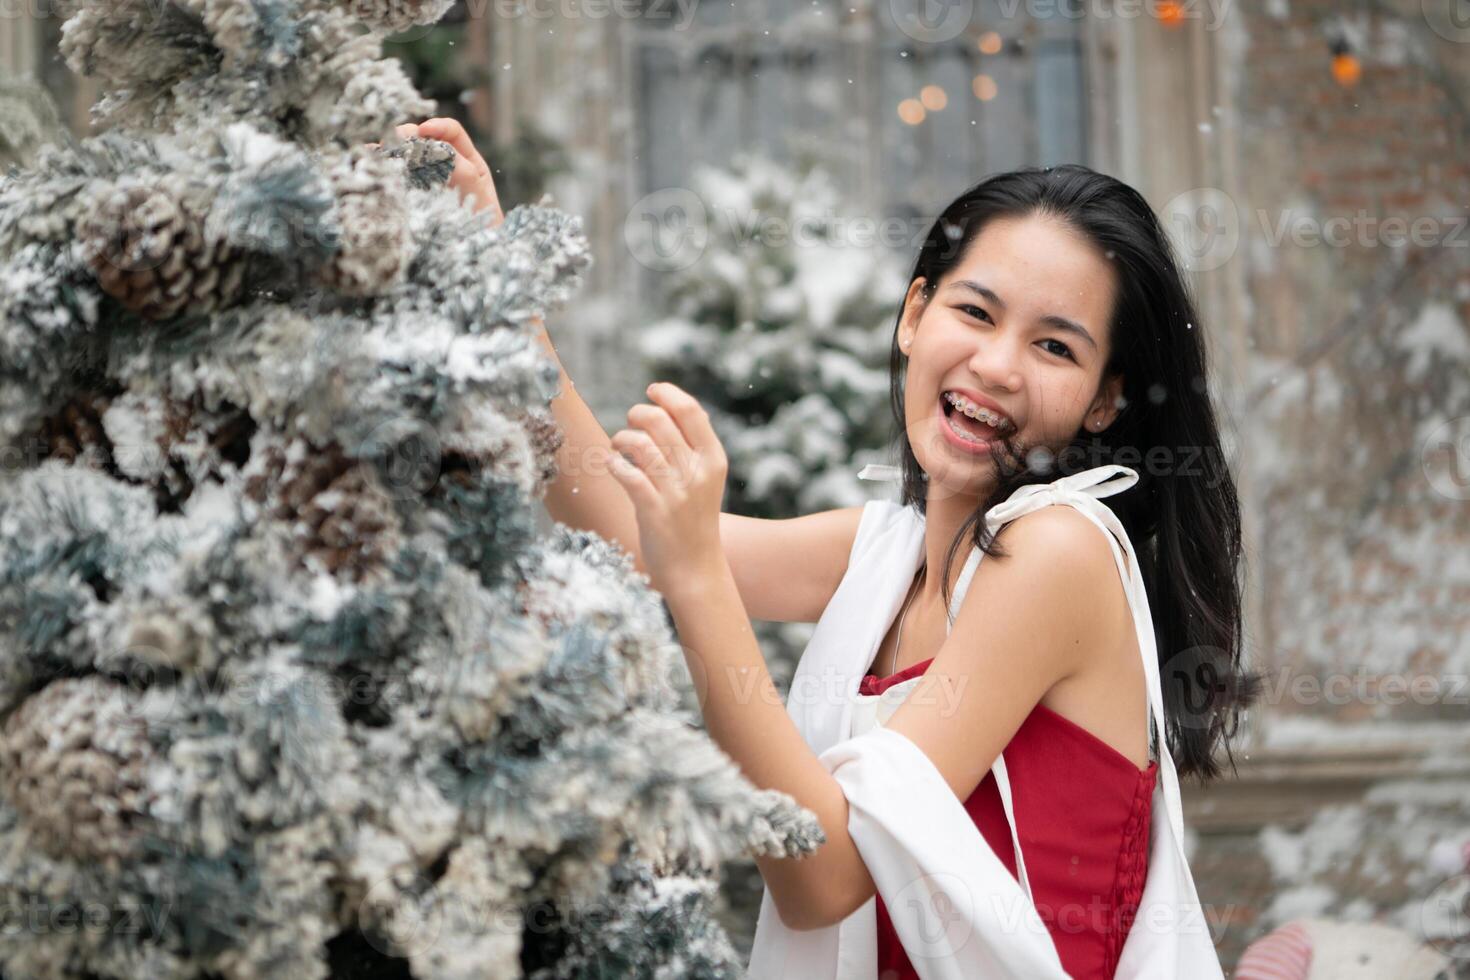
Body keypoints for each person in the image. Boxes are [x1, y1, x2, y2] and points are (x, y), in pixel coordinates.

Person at [396, 116, 1260, 977]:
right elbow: (626, 529)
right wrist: (493, 278)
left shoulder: (1057, 553)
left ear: (1104, 401)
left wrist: (698, 576)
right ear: (914, 316)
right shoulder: (888, 552)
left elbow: (823, 873)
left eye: (1053, 346)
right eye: (974, 311)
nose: (997, 365)